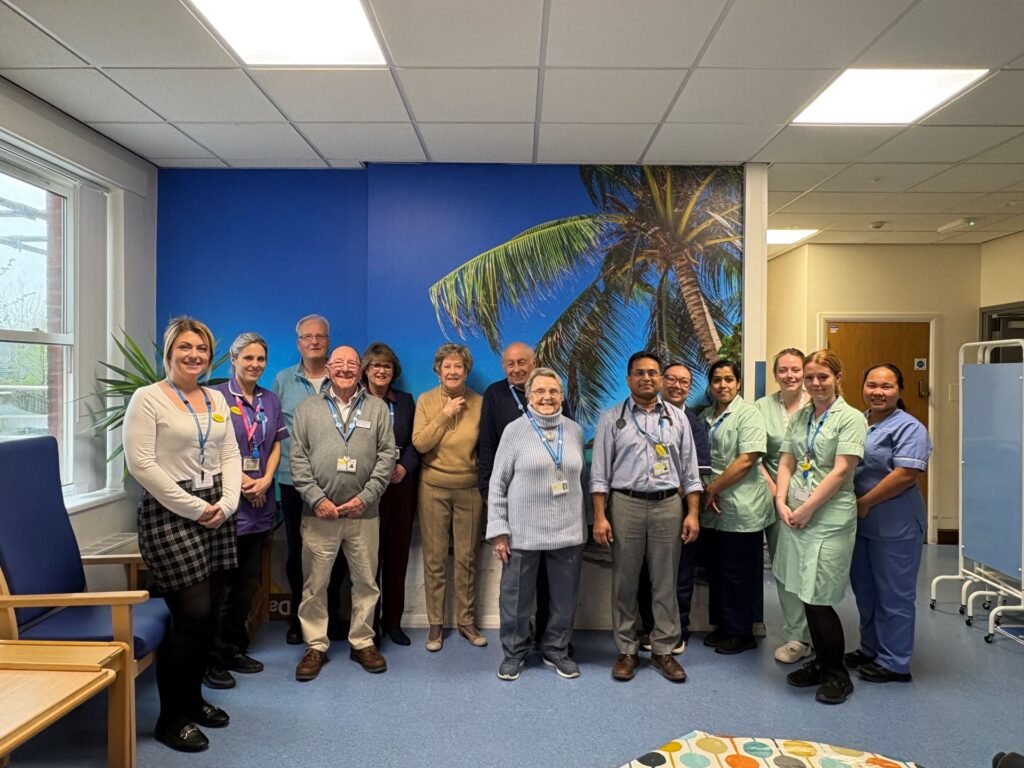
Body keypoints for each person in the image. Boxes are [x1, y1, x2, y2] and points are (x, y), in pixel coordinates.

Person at [124, 317, 241, 752]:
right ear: (169, 352)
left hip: (216, 508)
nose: (194, 355)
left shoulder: (215, 398)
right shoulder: (148, 399)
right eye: (185, 347)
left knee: (210, 615)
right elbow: (142, 465)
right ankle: (170, 718)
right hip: (170, 512)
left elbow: (229, 451)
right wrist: (196, 507)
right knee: (190, 614)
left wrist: (228, 503)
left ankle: (193, 700)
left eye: (202, 349)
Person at [591, 351, 702, 683]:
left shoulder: (678, 419)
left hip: (669, 505)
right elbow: (599, 475)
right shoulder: (612, 419)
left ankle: (663, 650)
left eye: (653, 373)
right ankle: (626, 650)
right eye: (639, 373)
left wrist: (692, 513)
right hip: (625, 505)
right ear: (628, 380)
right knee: (624, 581)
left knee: (665, 580)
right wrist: (600, 516)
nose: (647, 378)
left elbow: (691, 471)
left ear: (661, 379)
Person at [290, 345, 396, 681]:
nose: (346, 369)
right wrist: (317, 499)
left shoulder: (378, 408)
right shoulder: (308, 408)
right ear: (328, 368)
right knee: (315, 584)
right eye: (339, 364)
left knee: (365, 582)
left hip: (364, 514)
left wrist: (366, 497)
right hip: (319, 514)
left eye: (352, 364)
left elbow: (387, 457)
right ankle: (316, 645)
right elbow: (297, 460)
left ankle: (363, 640)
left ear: (360, 368)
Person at [774, 349, 867, 705]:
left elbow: (842, 470)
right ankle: (819, 662)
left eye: (822, 377)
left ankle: (836, 674)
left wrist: (808, 508)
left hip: (828, 519)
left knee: (820, 596)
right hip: (797, 516)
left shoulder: (851, 418)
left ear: (838, 378)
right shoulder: (801, 417)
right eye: (810, 377)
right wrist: (781, 501)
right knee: (803, 592)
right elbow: (787, 460)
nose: (815, 383)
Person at [487, 368, 587, 681]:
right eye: (540, 391)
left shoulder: (574, 431)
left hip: (568, 531)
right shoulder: (514, 431)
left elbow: (578, 479)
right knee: (515, 597)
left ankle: (556, 650)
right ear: (529, 396)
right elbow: (497, 483)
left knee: (564, 597)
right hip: (522, 532)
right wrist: (499, 530)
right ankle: (513, 653)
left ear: (561, 396)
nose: (547, 397)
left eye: (553, 391)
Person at [478, 341, 573, 650]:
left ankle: (553, 643)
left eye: (523, 362)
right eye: (510, 364)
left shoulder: (569, 424)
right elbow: (488, 448)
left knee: (556, 589)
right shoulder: (496, 397)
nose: (516, 368)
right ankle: (516, 647)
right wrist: (494, 509)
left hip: (560, 520)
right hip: (521, 515)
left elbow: (569, 455)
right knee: (518, 589)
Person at [205, 333, 287, 689]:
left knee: (245, 585)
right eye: (248, 358)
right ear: (233, 360)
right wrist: (242, 483)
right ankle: (210, 658)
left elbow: (274, 446)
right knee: (218, 588)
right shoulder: (216, 397)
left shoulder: (270, 400)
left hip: (261, 503)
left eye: (261, 359)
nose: (255, 364)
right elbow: (211, 448)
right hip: (228, 504)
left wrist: (267, 479)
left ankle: (234, 649)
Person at [847, 364, 932, 683]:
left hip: (895, 523)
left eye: (886, 386)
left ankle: (895, 662)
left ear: (900, 390)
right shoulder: (861, 421)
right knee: (865, 590)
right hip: (861, 523)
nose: (877, 392)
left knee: (894, 593)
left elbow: (906, 474)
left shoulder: (910, 428)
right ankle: (870, 648)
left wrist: (865, 503)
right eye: (871, 385)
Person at [272, 314, 346, 645]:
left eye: (320, 336)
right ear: (298, 343)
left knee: (337, 552)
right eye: (307, 337)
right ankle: (299, 619)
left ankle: (331, 616)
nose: (314, 341)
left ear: (328, 341)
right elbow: (272, 431)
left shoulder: (342, 379)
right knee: (297, 552)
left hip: (336, 483)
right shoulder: (283, 380)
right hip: (292, 481)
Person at [412, 343, 485, 651]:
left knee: (468, 557)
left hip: (469, 488)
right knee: (435, 558)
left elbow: (488, 447)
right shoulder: (427, 401)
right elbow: (420, 444)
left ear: (466, 371)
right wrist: (444, 414)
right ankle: (436, 624)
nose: (453, 371)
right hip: (432, 487)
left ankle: (466, 621)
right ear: (438, 370)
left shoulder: (481, 403)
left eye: (458, 366)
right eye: (447, 366)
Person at [699, 360, 773, 654]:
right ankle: (722, 626)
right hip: (712, 509)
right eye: (716, 380)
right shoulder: (705, 416)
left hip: (742, 508)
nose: (723, 385)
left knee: (739, 573)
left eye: (729, 379)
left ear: (739, 383)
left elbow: (747, 459)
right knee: (717, 571)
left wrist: (713, 489)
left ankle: (742, 632)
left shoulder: (748, 414)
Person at [637, 362, 711, 655]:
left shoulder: (693, 422)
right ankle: (648, 627)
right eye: (671, 379)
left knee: (680, 572)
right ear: (661, 381)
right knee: (646, 571)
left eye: (684, 382)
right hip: (646, 506)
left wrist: (675, 487)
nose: (677, 386)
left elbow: (701, 465)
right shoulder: (641, 417)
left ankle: (678, 629)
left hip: (681, 506)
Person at [755, 348, 813, 664]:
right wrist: (778, 493)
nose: (789, 375)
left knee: (813, 567)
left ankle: (819, 628)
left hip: (816, 499)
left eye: (795, 369)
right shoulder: (761, 408)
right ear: (775, 374)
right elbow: (755, 455)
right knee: (785, 568)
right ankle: (795, 635)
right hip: (778, 500)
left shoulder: (819, 405)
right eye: (783, 370)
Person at [361, 342, 419, 646]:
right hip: (368, 489)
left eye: (386, 366)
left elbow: (415, 442)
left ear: (393, 371)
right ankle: (368, 625)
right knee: (369, 558)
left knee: (397, 555)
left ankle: (393, 622)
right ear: (366, 370)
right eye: (375, 366)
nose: (381, 371)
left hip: (401, 488)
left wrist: (404, 468)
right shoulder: (357, 401)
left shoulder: (406, 402)